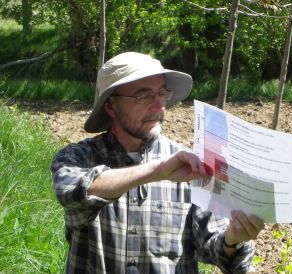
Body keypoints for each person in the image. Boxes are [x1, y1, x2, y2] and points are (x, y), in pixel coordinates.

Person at [51, 52, 265, 274]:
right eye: (143, 97)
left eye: (162, 94)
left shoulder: (190, 165)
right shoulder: (79, 156)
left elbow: (217, 249)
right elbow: (72, 191)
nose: (158, 106)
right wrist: (157, 170)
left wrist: (233, 240)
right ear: (111, 106)